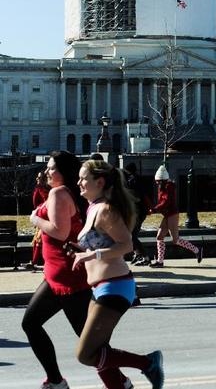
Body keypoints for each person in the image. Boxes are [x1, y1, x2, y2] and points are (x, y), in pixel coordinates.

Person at [72, 159, 164, 389]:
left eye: (84, 178)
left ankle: (148, 363)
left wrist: (92, 256)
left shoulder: (106, 210)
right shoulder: (93, 207)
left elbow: (126, 245)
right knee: (101, 352)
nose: (79, 182)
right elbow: (100, 244)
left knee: (86, 354)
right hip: (101, 286)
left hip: (115, 285)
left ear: (99, 182)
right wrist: (80, 252)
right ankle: (121, 386)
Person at [22, 151, 91, 389]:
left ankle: (138, 368)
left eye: (52, 168)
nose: (48, 171)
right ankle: (55, 380)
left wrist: (35, 219)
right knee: (31, 323)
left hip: (66, 276)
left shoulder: (59, 193)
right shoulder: (66, 192)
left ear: (64, 172)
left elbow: (59, 231)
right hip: (58, 274)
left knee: (90, 342)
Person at [148, 164, 202, 267]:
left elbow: (166, 201)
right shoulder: (162, 187)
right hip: (167, 214)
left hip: (172, 214)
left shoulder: (169, 187)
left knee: (175, 239)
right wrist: (155, 208)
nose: (156, 183)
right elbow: (162, 202)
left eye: (158, 181)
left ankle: (196, 250)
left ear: (163, 180)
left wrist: (155, 209)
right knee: (159, 237)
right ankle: (160, 261)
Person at [21, 170, 49, 271]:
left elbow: (35, 202)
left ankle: (35, 262)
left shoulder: (42, 189)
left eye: (40, 177)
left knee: (40, 241)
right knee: (38, 240)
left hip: (46, 217)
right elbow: (35, 203)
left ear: (45, 179)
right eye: (37, 177)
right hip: (42, 217)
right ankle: (34, 261)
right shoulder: (44, 189)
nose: (37, 179)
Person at [124, 163, 151, 266]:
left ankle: (144, 257)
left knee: (131, 235)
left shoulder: (132, 181)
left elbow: (134, 197)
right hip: (141, 211)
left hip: (136, 212)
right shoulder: (140, 179)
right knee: (132, 235)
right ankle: (138, 254)